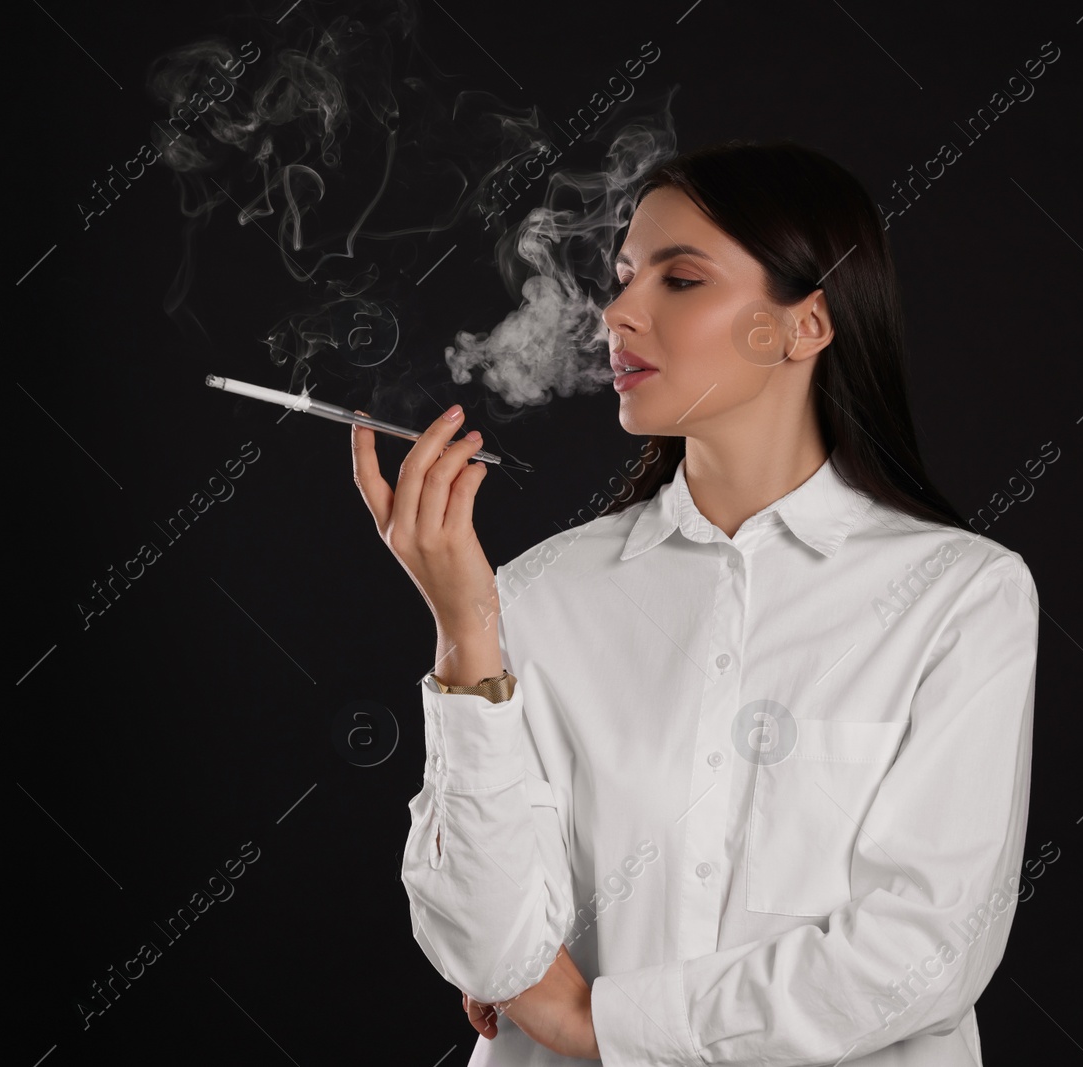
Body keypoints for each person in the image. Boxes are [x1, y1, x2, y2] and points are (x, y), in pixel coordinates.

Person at [352, 139, 1041, 1066]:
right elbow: (486, 948)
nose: (618, 313)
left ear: (804, 327)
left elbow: (924, 953)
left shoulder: (960, 597)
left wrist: (597, 1023)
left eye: (679, 281)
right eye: (624, 278)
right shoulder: (536, 595)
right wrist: (465, 629)